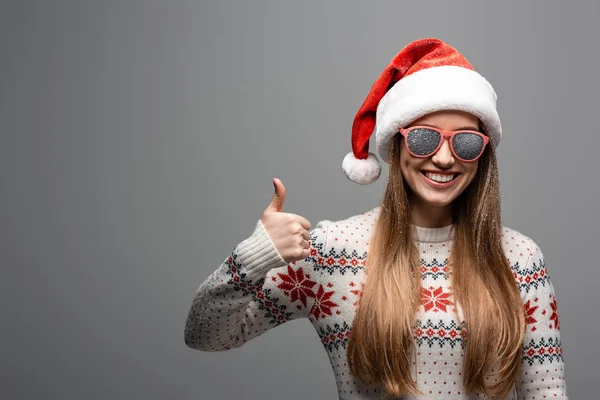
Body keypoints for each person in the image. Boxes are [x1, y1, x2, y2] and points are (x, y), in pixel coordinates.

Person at [183, 38, 568, 400]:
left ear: (483, 155)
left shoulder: (518, 259)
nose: (445, 159)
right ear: (396, 144)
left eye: (465, 142)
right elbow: (206, 334)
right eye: (424, 138)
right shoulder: (332, 252)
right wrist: (254, 257)